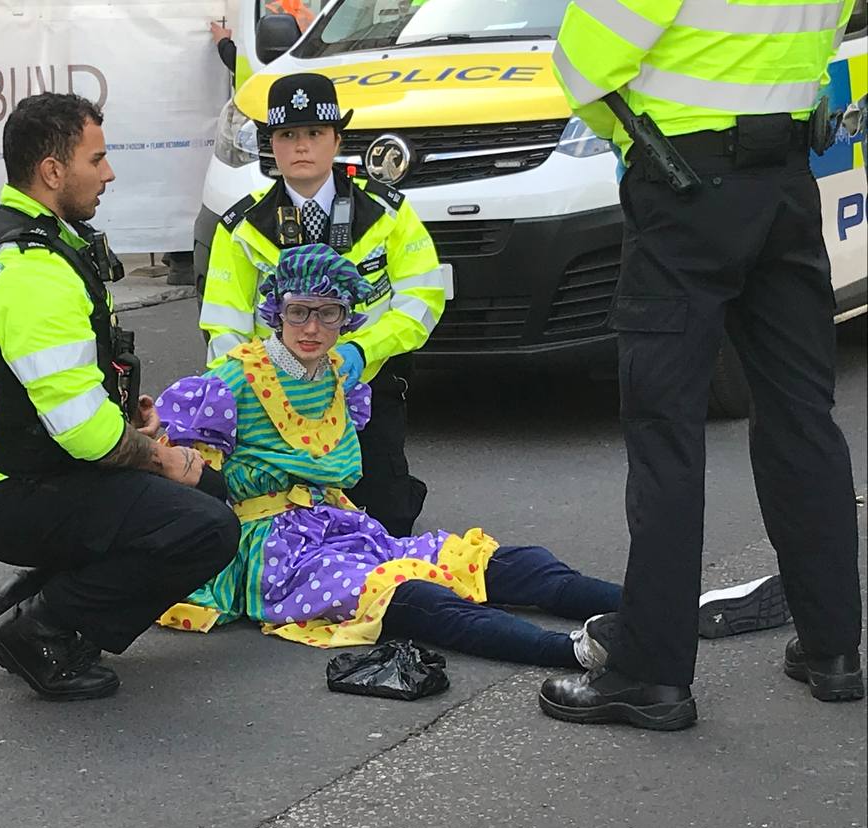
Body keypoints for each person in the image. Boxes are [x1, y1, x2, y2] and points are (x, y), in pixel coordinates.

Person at [158, 245, 781, 667]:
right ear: (276, 312)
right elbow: (175, 462)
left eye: (327, 314)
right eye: (298, 312)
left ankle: (670, 609)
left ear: (346, 320)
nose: (312, 327)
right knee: (409, 597)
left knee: (492, 562)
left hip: (343, 527)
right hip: (274, 551)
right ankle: (578, 651)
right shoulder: (234, 379)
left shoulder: (343, 378)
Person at [540, 0, 864, 729]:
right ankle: (833, 648)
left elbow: (582, 63)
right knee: (801, 417)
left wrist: (638, 139)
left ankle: (650, 673)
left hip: (683, 183)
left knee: (666, 432)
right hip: (785, 180)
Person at [0, 92, 240, 702]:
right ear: (52, 172)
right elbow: (83, 432)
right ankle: (40, 628)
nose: (109, 174)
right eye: (96, 159)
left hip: (39, 474)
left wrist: (130, 419)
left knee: (204, 494)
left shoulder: (45, 240)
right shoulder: (31, 271)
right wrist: (164, 459)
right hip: (13, 493)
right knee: (207, 526)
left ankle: (43, 593)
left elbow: (69, 390)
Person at [200, 72, 444, 537]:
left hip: (366, 385)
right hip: (274, 401)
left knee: (387, 518)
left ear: (337, 140)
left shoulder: (387, 212)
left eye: (314, 132)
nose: (301, 146)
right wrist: (243, 392)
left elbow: (422, 301)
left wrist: (361, 351)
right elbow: (224, 325)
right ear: (271, 145)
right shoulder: (242, 226)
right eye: (288, 135)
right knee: (284, 522)